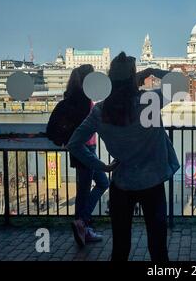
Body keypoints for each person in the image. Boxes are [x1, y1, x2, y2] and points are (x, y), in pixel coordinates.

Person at [67, 52, 179, 262]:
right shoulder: (150, 101)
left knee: (120, 248)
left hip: (122, 183)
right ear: (132, 78)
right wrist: (152, 71)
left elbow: (74, 144)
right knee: (158, 249)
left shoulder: (100, 111)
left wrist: (102, 166)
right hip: (152, 182)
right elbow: (178, 83)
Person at [63, 64, 110, 247]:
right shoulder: (83, 99)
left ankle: (82, 224)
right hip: (85, 149)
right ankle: (82, 224)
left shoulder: (78, 97)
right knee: (88, 188)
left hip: (85, 148)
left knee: (94, 185)